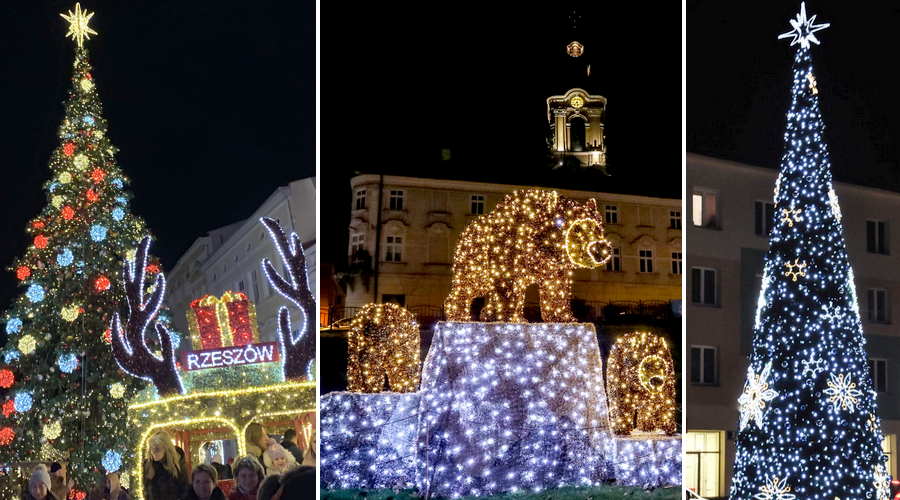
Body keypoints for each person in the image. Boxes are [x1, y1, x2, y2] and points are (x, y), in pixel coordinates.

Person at [144, 430, 189, 500]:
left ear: (166, 449)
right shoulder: (148, 466)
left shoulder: (177, 466)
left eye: (158, 449)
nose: (154, 452)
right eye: (152, 449)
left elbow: (184, 491)